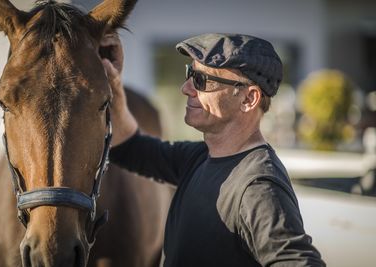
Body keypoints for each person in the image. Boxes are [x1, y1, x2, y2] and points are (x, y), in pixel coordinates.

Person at [101, 33, 325, 267]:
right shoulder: (199, 157)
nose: (186, 88)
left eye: (202, 80)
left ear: (249, 99)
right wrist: (113, 82)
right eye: (191, 73)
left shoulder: (258, 186)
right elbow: (130, 147)